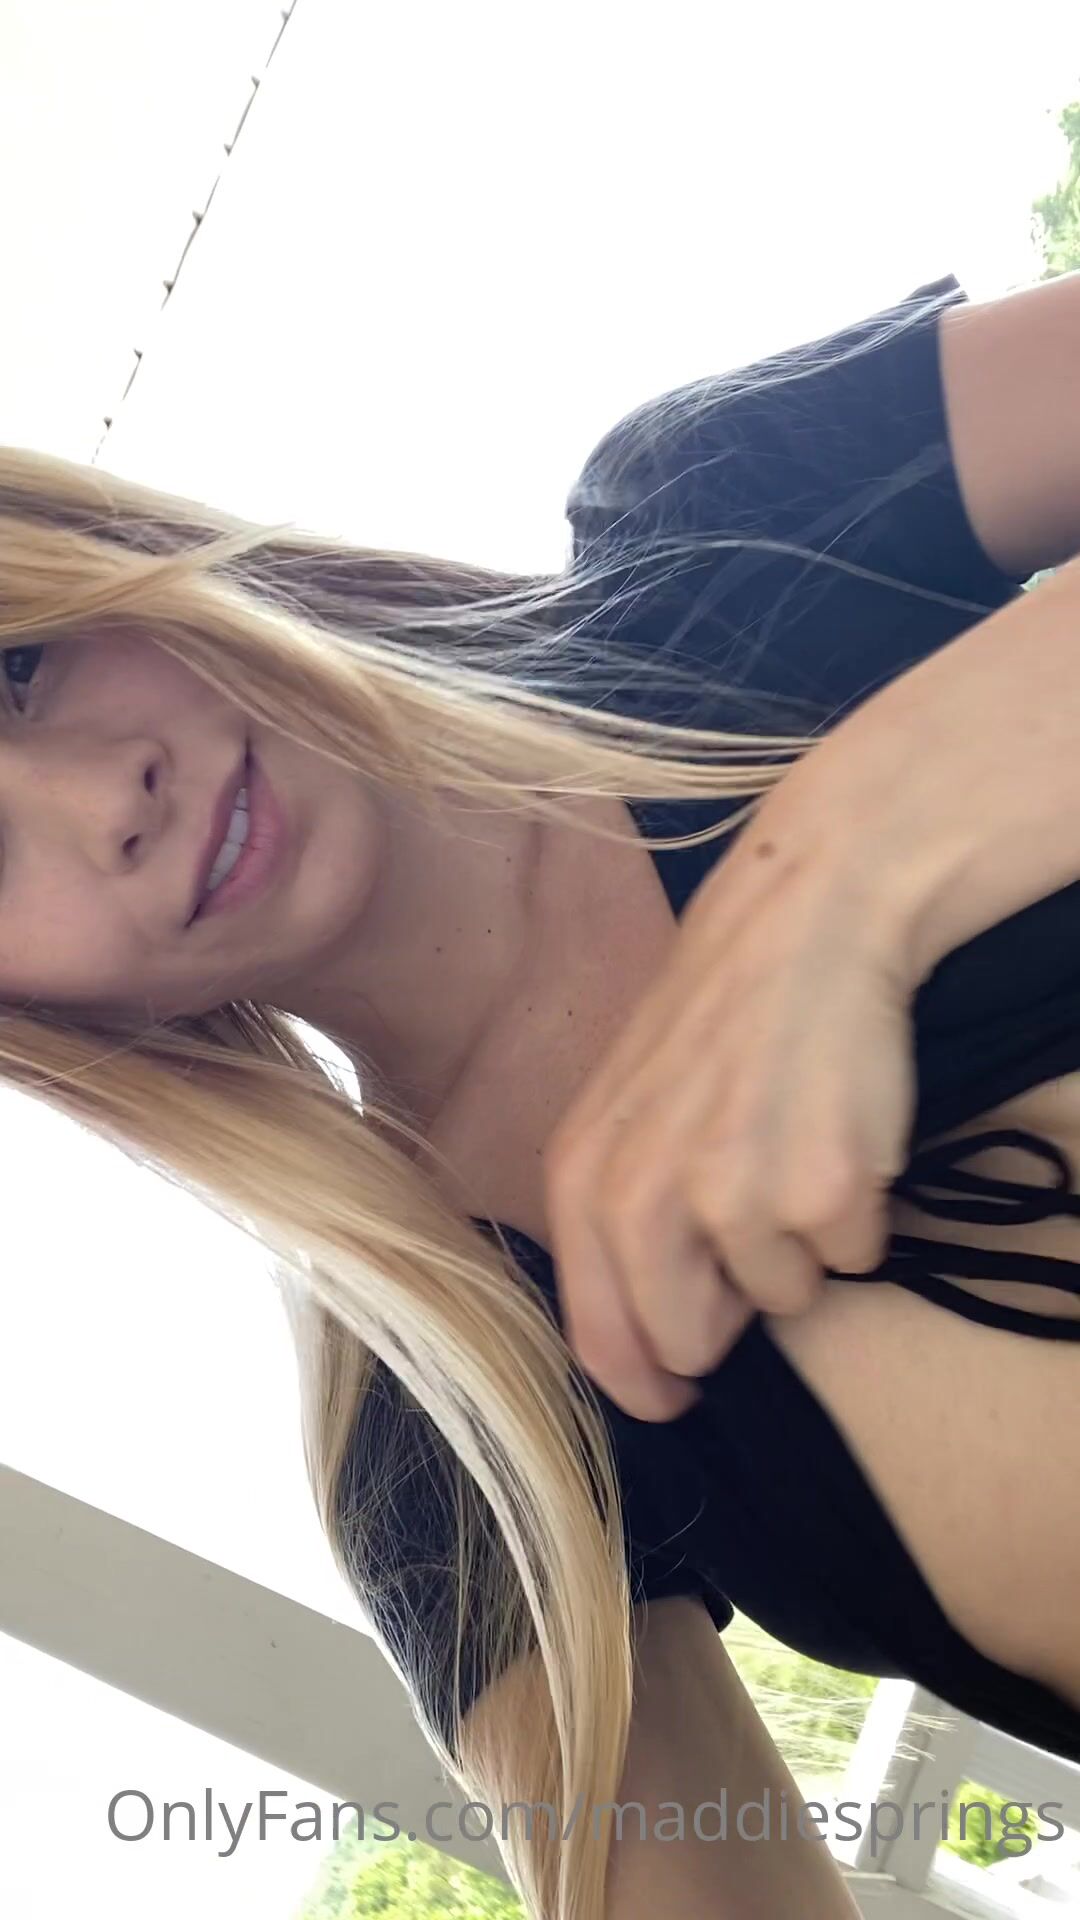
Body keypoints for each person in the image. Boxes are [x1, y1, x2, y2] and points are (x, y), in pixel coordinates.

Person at [2, 269, 1078, 1920]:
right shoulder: (449, 1419)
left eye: (19, 667)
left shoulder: (728, 521)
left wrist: (859, 871)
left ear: (101, 555)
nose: (105, 800)